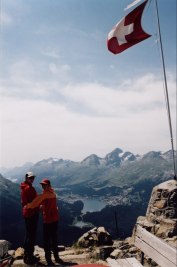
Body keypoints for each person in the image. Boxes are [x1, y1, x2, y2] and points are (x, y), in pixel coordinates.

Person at [26, 178, 63, 266]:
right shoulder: (53, 192)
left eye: (44, 185)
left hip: (48, 220)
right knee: (54, 239)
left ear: (48, 185)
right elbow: (49, 204)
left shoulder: (45, 194)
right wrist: (43, 206)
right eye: (42, 184)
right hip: (55, 219)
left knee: (46, 241)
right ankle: (57, 258)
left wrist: (27, 206)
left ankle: (49, 260)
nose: (42, 186)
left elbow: (35, 202)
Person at [20, 172, 39, 264]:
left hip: (28, 213)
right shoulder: (28, 188)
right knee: (31, 236)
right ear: (26, 178)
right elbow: (28, 202)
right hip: (31, 214)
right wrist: (37, 205)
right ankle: (29, 257)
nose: (32, 179)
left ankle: (27, 255)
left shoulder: (26, 187)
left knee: (28, 235)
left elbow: (25, 203)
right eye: (30, 178)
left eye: (33, 178)